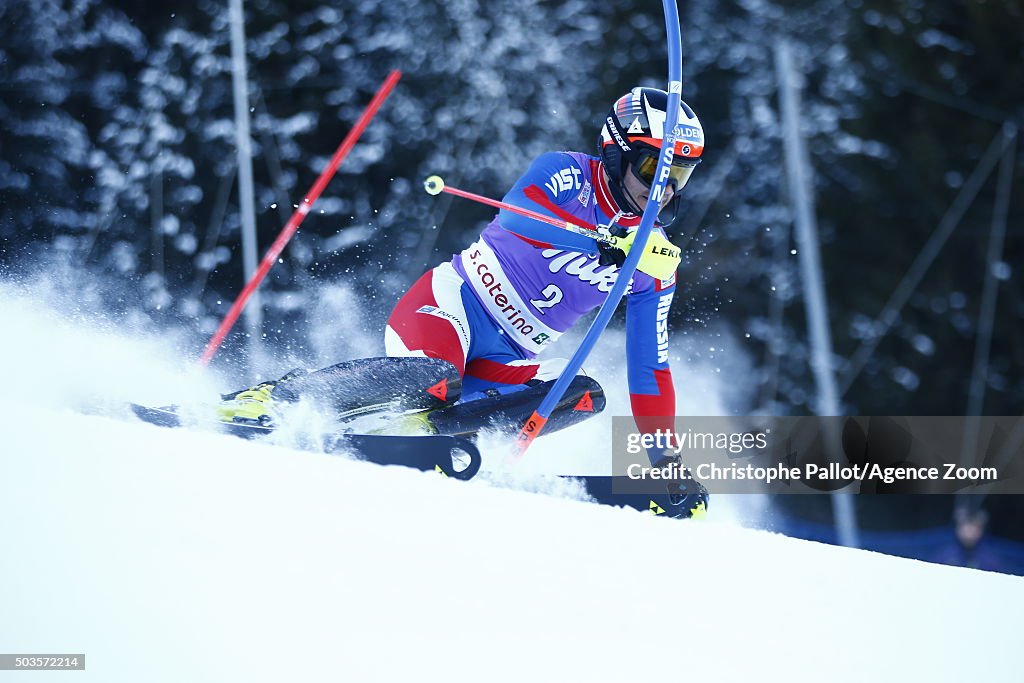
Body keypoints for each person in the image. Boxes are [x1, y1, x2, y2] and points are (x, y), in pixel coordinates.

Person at [220, 87, 709, 517]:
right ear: (617, 152)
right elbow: (522, 219)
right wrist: (599, 241)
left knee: (584, 395)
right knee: (435, 376)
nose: (662, 191)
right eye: (653, 169)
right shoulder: (567, 174)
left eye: (678, 176)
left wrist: (666, 462)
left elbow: (651, 368)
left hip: (505, 361)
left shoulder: (654, 263)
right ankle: (274, 398)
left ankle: (436, 435)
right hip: (450, 310)